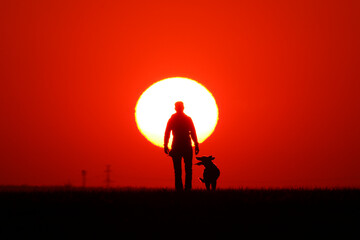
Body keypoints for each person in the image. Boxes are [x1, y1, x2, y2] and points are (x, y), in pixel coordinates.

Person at [164, 101, 199, 191]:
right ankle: (186, 189)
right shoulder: (186, 119)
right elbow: (193, 133)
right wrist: (196, 144)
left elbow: (167, 132)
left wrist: (166, 145)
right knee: (186, 169)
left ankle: (182, 189)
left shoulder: (178, 119)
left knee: (180, 170)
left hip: (180, 145)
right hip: (182, 145)